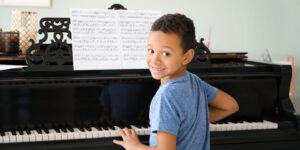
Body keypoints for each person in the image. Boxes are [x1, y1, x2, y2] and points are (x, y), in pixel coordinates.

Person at [113, 13, 239, 150]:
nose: (155, 60)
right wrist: (193, 121)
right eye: (151, 50)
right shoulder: (194, 81)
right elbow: (231, 106)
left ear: (187, 57)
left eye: (166, 53)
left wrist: (134, 146)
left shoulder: (166, 97)